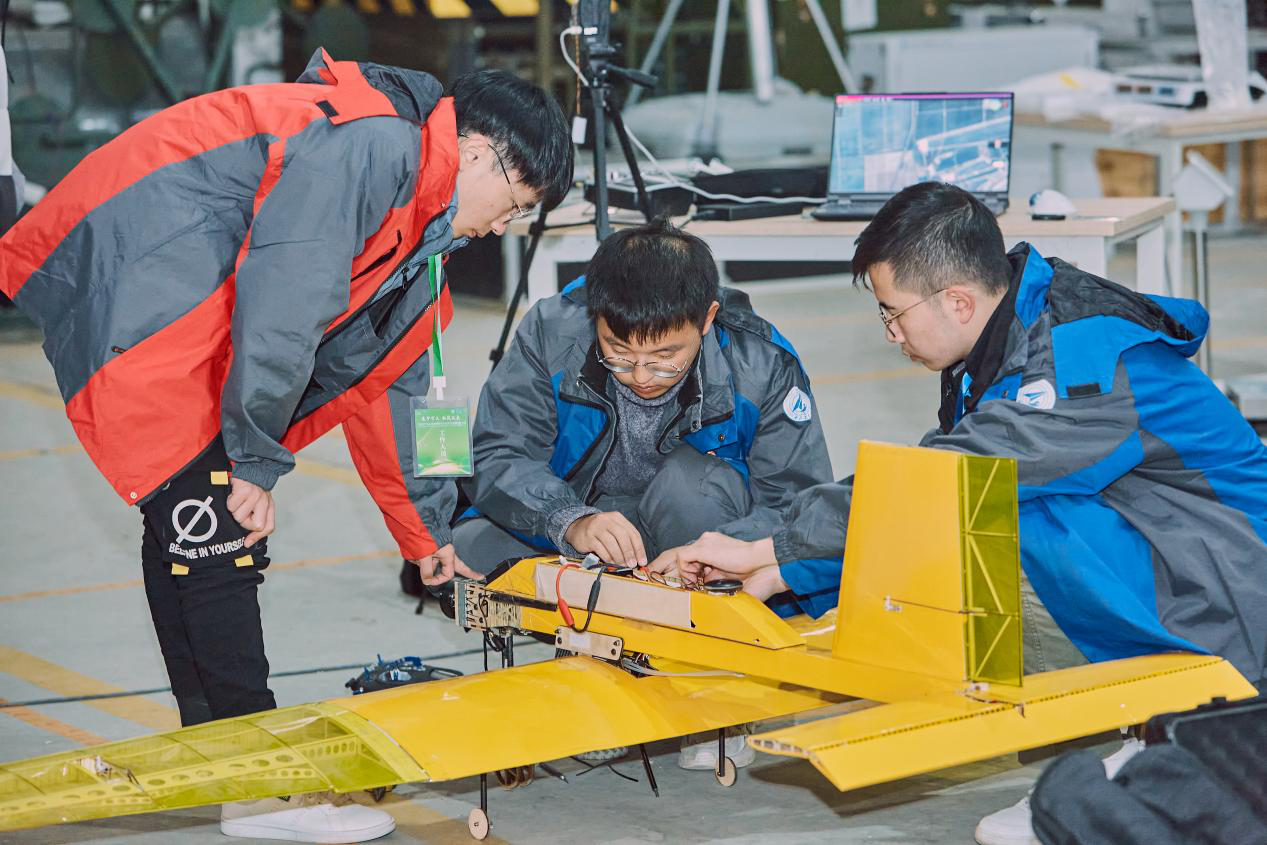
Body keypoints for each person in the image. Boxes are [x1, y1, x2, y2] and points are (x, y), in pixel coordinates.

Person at [0, 49, 572, 843]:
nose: (503, 226)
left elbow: (395, 395)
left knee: (193, 526)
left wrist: (428, 535)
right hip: (151, 278)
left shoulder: (421, 237)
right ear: (476, 152)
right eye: (514, 203)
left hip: (193, 301)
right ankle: (260, 788)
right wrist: (256, 458)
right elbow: (285, 304)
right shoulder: (376, 149)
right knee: (218, 524)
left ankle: (218, 755)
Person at [651, 182, 1267, 845]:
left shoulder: (1080, 362)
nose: (890, 334)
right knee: (970, 510)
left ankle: (1166, 730)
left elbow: (940, 481)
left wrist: (774, 550)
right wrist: (775, 561)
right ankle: (1147, 735)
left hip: (1230, 592)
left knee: (995, 524)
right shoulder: (1014, 335)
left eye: (892, 313)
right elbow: (925, 478)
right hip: (1180, 562)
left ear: (958, 301)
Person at [458, 217, 833, 769]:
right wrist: (570, 519)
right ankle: (599, 669)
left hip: (699, 530)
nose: (641, 375)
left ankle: (711, 688)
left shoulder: (762, 364)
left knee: (691, 487)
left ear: (707, 319)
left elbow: (796, 501)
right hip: (581, 525)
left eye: (666, 357)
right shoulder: (549, 333)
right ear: (596, 317)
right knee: (471, 544)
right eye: (618, 352)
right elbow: (498, 456)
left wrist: (724, 551)